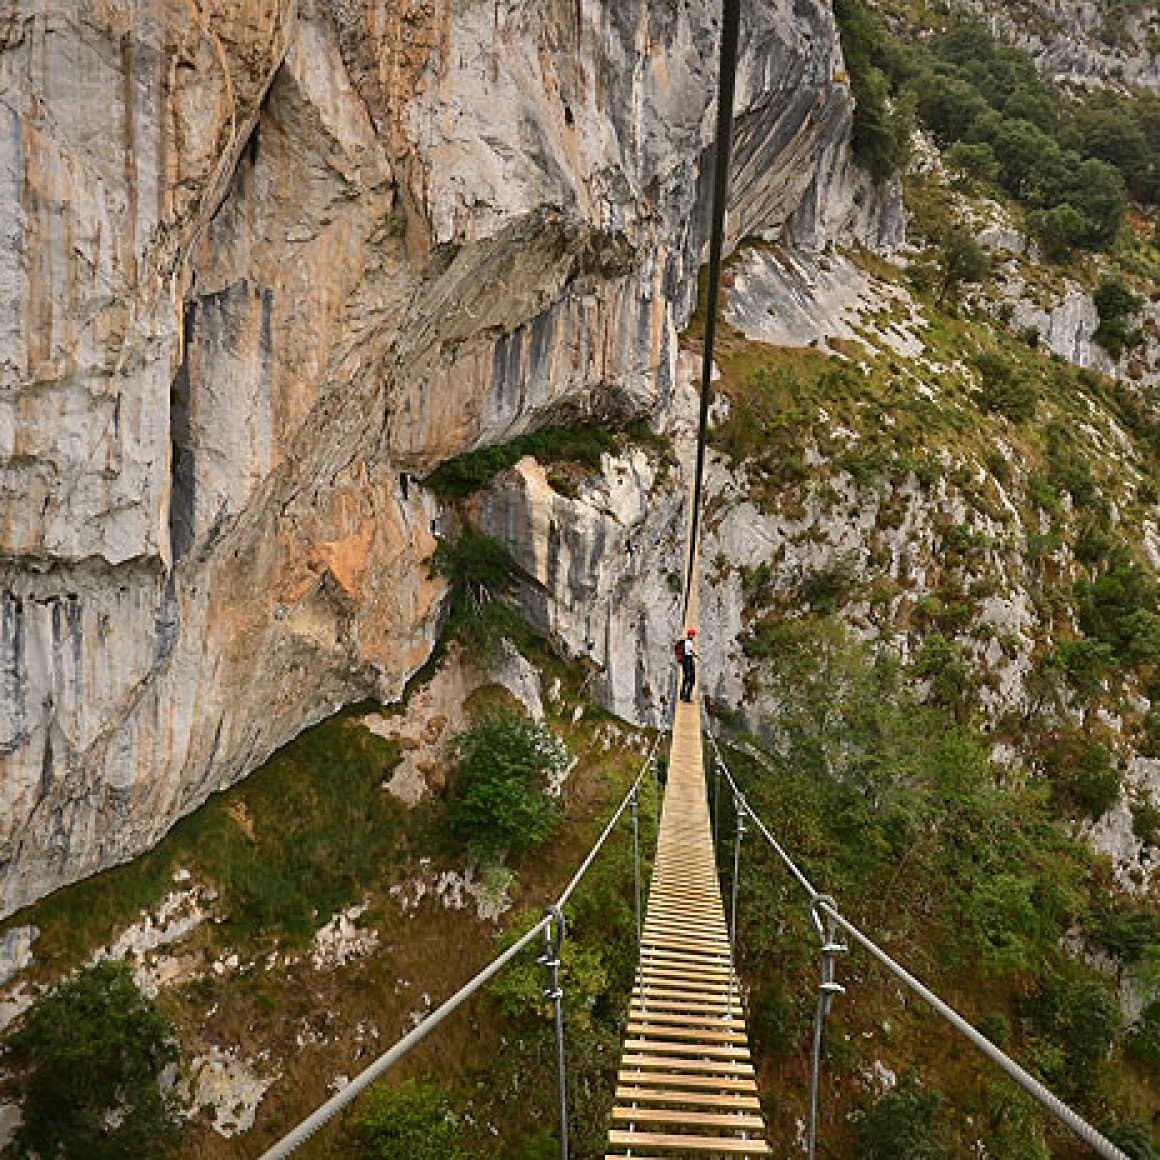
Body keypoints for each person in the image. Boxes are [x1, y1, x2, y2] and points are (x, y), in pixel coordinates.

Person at [679, 627, 698, 702]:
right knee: (691, 679)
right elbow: (688, 652)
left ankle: (682, 694)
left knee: (686, 678)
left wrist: (693, 654)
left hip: (686, 661)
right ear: (690, 635)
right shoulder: (688, 642)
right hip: (688, 661)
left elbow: (688, 651)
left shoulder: (686, 642)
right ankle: (687, 697)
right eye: (693, 635)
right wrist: (693, 655)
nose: (694, 636)